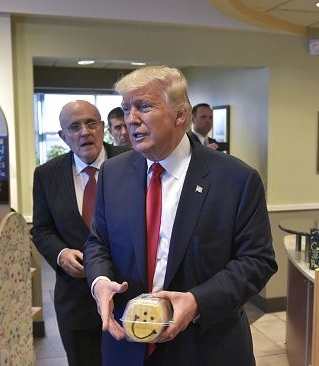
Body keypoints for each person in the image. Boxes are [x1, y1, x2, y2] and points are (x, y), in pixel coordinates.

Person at [83, 66, 277, 366]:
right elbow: (98, 242)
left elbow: (258, 261)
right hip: (126, 347)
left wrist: (197, 301)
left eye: (143, 107)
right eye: (126, 108)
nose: (130, 119)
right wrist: (100, 281)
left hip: (206, 348)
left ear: (180, 115)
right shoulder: (113, 172)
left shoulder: (236, 179)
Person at [31, 100, 129, 366]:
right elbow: (41, 229)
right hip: (76, 301)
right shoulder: (46, 175)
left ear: (102, 128)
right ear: (63, 136)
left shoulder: (133, 163)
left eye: (90, 123)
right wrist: (60, 254)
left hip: (129, 296)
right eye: (75, 127)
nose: (85, 132)